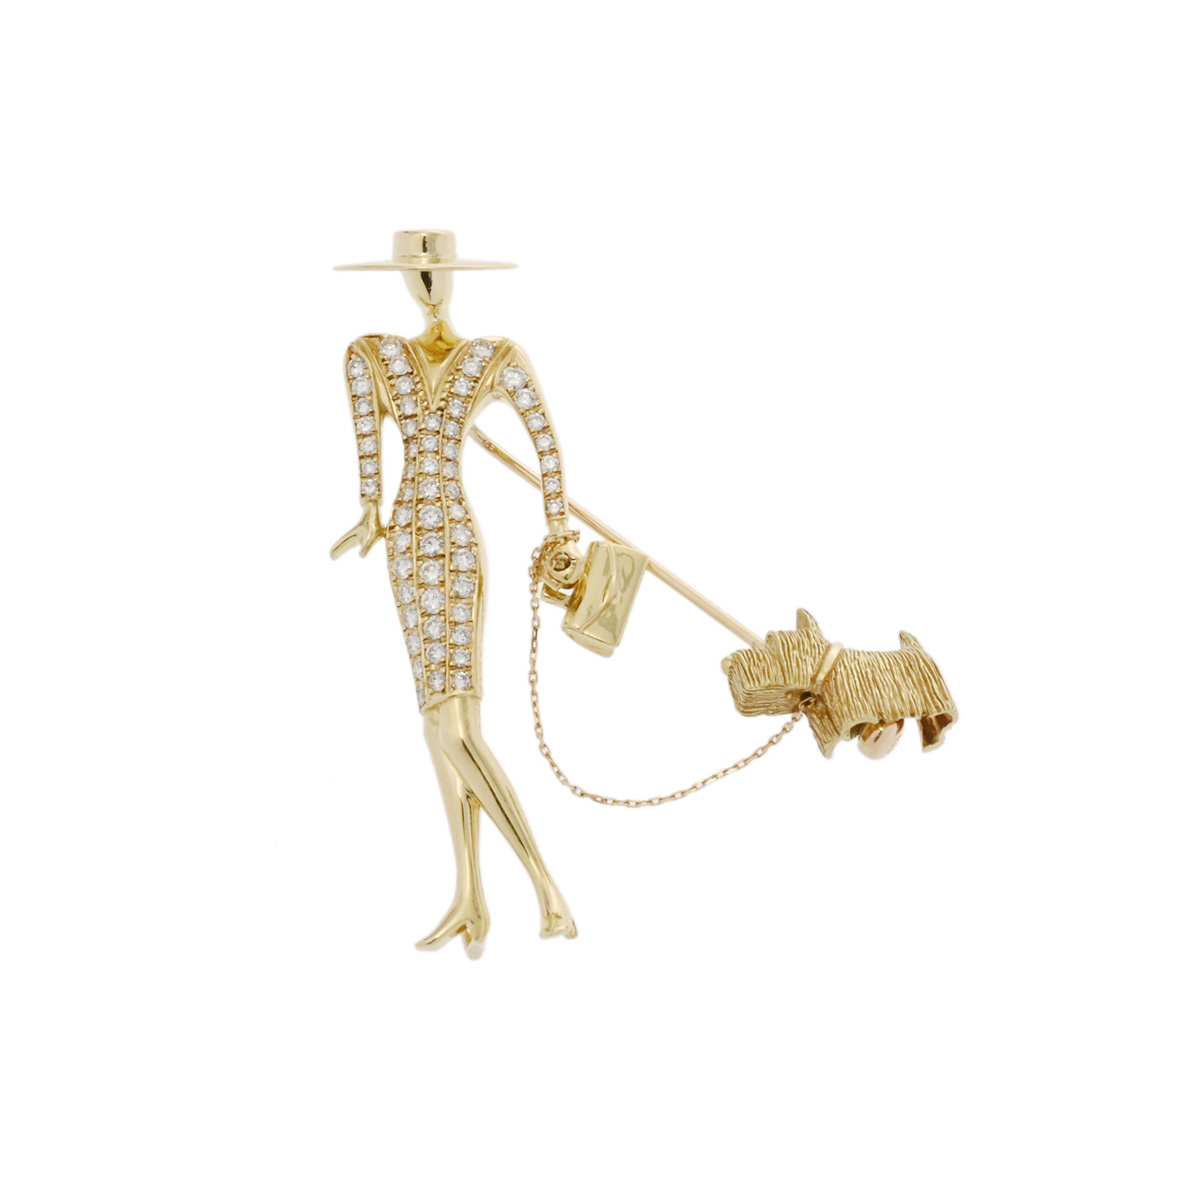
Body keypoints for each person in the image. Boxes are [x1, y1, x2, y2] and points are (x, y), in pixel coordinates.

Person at [331, 230, 581, 958]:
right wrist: (368, 510)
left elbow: (546, 443)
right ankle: (470, 897)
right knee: (433, 726)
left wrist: (558, 528)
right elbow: (368, 450)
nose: (427, 285)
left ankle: (546, 887)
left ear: (455, 277)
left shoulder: (493, 355)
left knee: (460, 730)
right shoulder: (373, 355)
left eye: (436, 270)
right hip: (407, 545)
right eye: (416, 271)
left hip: (457, 544)